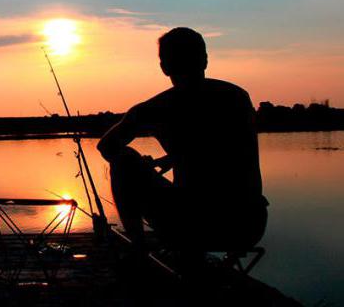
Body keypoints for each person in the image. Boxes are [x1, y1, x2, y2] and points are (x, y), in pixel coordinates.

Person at [96, 27, 268, 255]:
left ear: (164, 67)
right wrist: (175, 157)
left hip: (189, 224)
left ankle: (138, 249)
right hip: (248, 226)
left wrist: (141, 169)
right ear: (205, 60)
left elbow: (107, 147)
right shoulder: (237, 96)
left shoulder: (154, 108)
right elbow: (216, 147)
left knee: (123, 161)